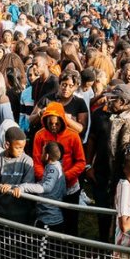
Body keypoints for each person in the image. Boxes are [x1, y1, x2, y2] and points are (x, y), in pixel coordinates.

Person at [31, 101, 86, 236]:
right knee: (50, 223)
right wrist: (47, 178)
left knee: (71, 223)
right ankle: (52, 253)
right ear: (45, 121)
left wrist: (64, 177)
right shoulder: (40, 135)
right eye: (51, 123)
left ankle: (71, 253)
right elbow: (36, 161)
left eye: (57, 123)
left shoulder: (73, 135)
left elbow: (81, 162)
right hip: (48, 188)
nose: (54, 126)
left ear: (62, 120)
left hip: (70, 187)